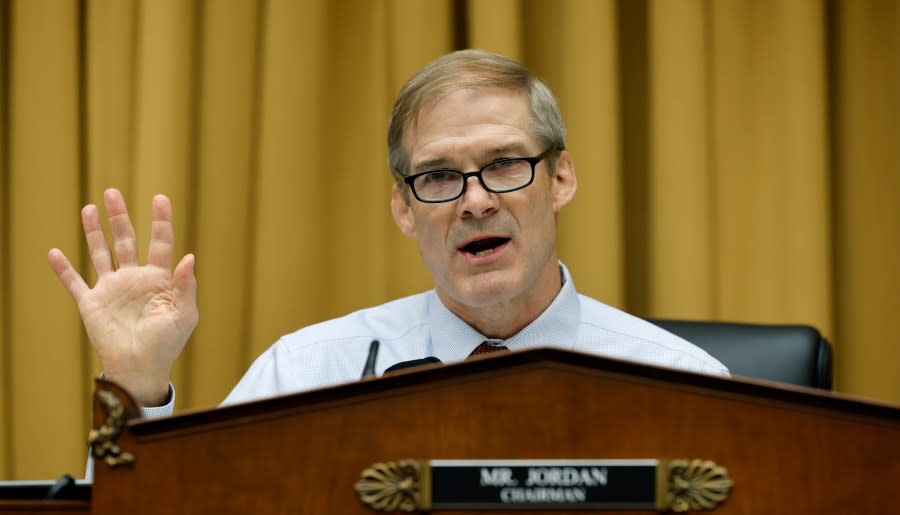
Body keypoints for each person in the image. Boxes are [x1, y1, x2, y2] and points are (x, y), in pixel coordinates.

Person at [48, 49, 728, 418]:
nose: (476, 201)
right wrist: (135, 385)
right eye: (437, 176)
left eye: (504, 164)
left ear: (562, 179)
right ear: (404, 209)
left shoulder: (681, 383)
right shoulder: (308, 373)